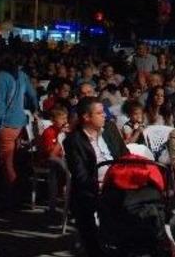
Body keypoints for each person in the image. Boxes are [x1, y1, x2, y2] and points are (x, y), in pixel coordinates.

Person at [64, 97, 129, 256]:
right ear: (86, 117)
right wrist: (102, 185)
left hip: (119, 182)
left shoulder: (110, 130)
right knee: (85, 205)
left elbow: (125, 156)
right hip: (93, 187)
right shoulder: (74, 141)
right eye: (99, 113)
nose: (104, 116)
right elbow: (80, 176)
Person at [0, 54, 39, 205]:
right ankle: (16, 195)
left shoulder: (1, 77)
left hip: (6, 124)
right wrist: (35, 109)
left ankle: (10, 198)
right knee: (16, 161)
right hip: (20, 123)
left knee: (6, 164)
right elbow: (32, 94)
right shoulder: (22, 75)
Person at [38, 106, 69, 214]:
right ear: (53, 120)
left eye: (66, 118)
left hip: (61, 159)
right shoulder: (49, 132)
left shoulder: (65, 132)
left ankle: (67, 200)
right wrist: (61, 136)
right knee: (55, 169)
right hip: (48, 160)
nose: (65, 121)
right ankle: (52, 204)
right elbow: (50, 153)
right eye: (62, 119)